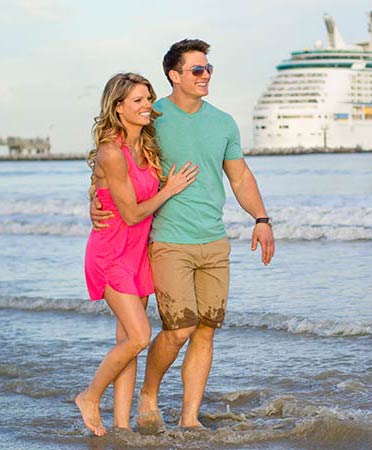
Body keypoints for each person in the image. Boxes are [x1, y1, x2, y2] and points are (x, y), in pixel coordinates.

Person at [91, 39, 275, 431]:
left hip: (215, 240)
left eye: (208, 68)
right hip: (169, 240)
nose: (205, 75)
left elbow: (239, 176)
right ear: (174, 75)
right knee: (179, 329)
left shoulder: (223, 122)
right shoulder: (150, 115)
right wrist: (94, 197)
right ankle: (149, 394)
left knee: (206, 329)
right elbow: (112, 159)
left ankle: (189, 418)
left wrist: (261, 218)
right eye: (196, 69)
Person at [77, 72, 198, 436]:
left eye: (148, 99)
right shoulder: (111, 151)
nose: (147, 106)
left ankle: (121, 426)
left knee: (127, 342)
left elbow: (105, 193)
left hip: (138, 253)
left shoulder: (146, 145)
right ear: (118, 108)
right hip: (111, 253)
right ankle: (89, 395)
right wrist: (171, 189)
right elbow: (130, 213)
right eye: (138, 101)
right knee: (140, 336)